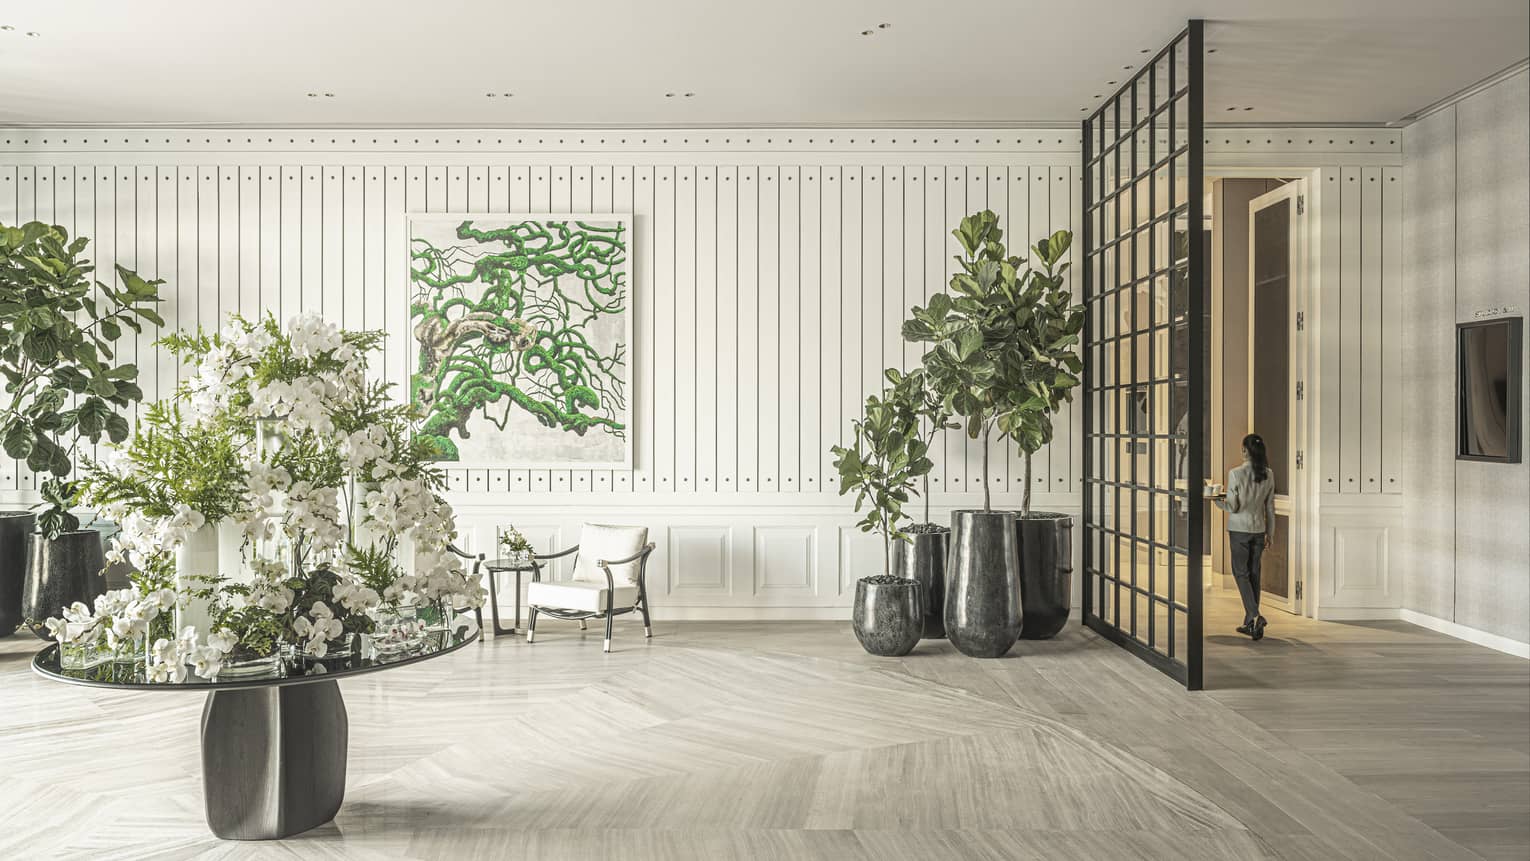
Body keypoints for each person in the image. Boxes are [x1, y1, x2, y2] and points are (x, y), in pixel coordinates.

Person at [1212, 433, 1276, 640]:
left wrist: (1216, 500)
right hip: (1259, 529)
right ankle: (1250, 622)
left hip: (1239, 529)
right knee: (1254, 574)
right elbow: (1270, 508)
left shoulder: (1235, 474)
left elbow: (1233, 506)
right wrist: (1270, 533)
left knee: (1240, 573)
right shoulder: (1268, 474)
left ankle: (1255, 615)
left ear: (1245, 451)